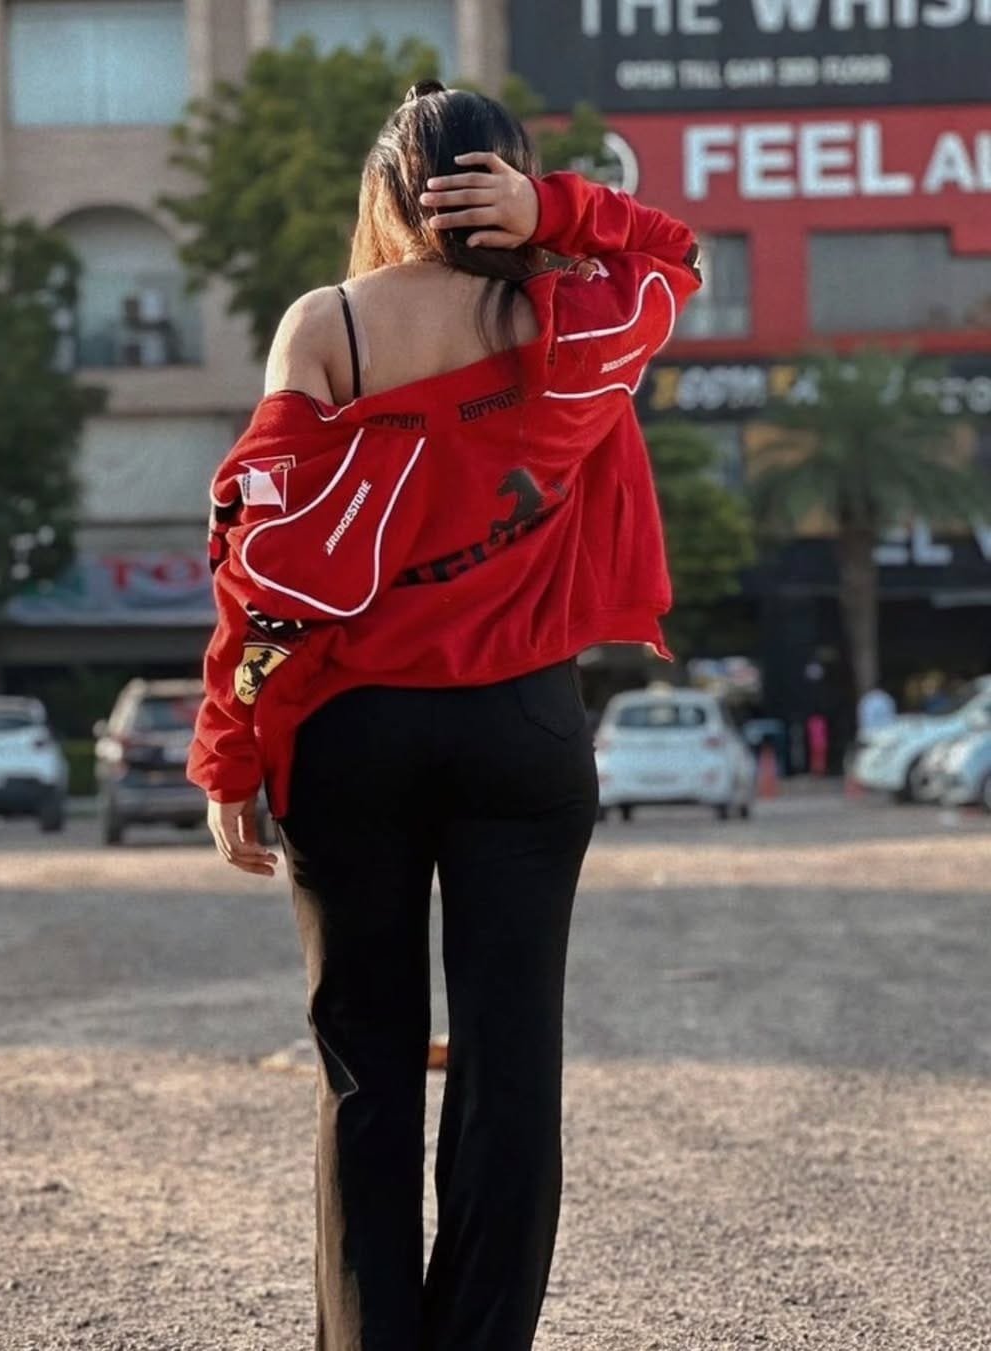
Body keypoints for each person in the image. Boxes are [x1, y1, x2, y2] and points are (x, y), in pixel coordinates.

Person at [188, 80, 701, 1351]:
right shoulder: (575, 315)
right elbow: (677, 254)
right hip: (522, 731)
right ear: (508, 179)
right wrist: (564, 211)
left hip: (353, 734)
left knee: (363, 1062)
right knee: (509, 1062)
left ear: (384, 191)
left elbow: (261, 568)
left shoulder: (327, 325)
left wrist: (229, 746)